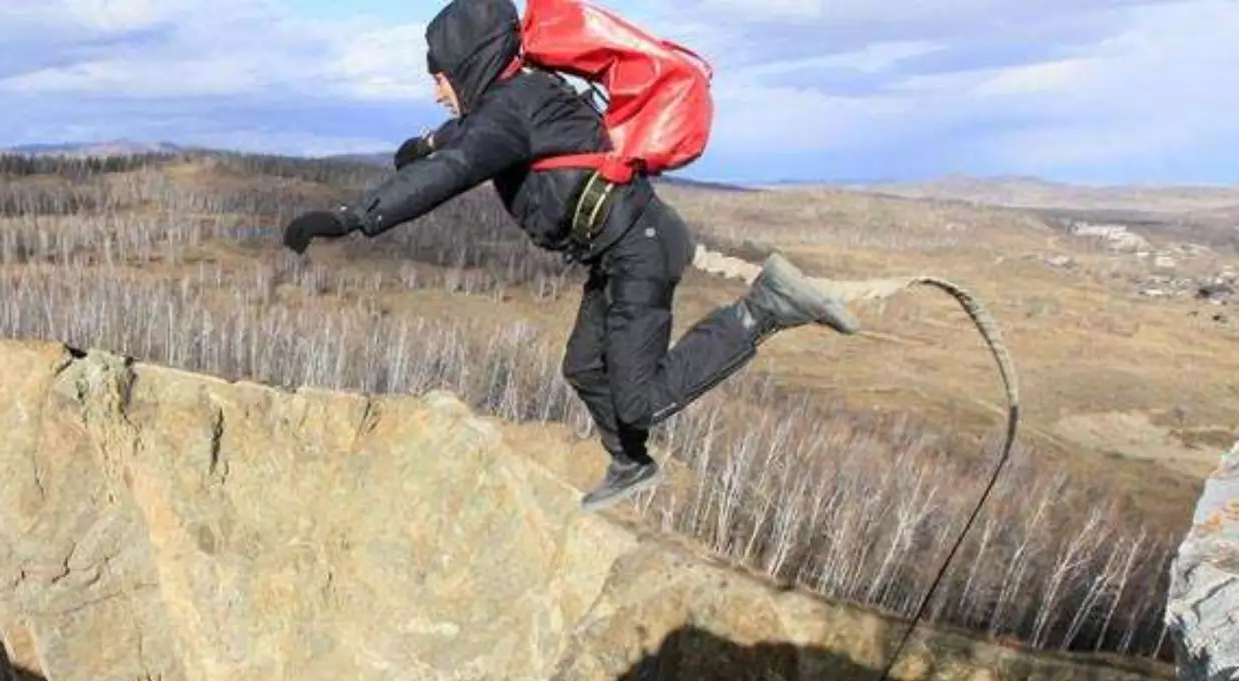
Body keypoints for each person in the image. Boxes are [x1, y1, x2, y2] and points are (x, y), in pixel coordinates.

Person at [283, 0, 860, 509]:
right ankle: (632, 465)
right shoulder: (516, 99)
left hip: (642, 253)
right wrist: (426, 143)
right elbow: (462, 142)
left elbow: (458, 168)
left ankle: (763, 309)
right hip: (618, 255)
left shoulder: (514, 109)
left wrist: (351, 217)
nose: (436, 90)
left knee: (641, 402)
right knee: (582, 368)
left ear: (467, 66)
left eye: (440, 77)